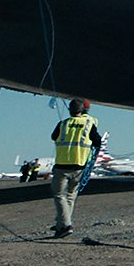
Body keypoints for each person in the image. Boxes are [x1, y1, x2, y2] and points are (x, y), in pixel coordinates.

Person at [51, 98, 101, 237]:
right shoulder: (88, 124)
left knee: (59, 195)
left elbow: (54, 137)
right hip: (79, 166)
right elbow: (97, 141)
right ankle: (62, 224)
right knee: (71, 196)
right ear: (83, 110)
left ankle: (66, 225)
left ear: (69, 110)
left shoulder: (63, 124)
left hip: (62, 165)